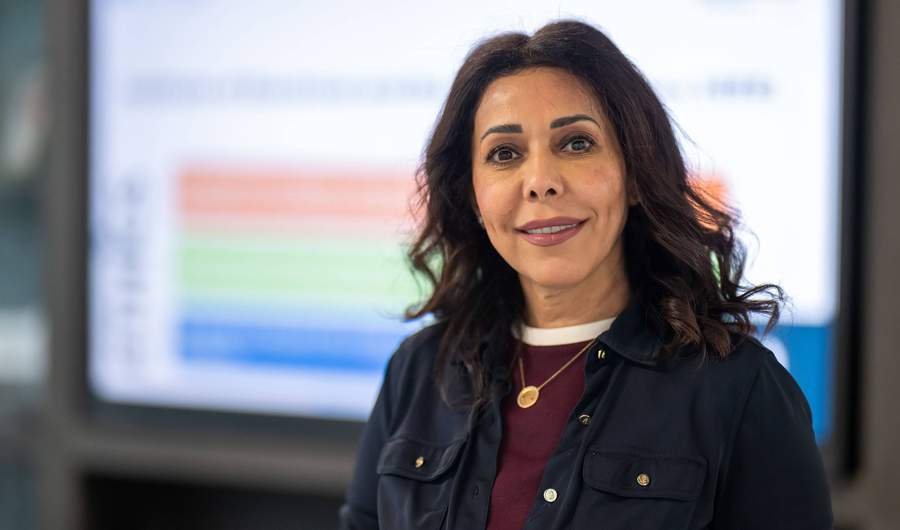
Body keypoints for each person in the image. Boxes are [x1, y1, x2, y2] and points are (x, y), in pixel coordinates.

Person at [338, 19, 833, 530]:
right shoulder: (418, 373)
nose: (541, 183)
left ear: (636, 174)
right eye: (504, 154)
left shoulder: (739, 389)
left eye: (576, 143)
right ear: (473, 196)